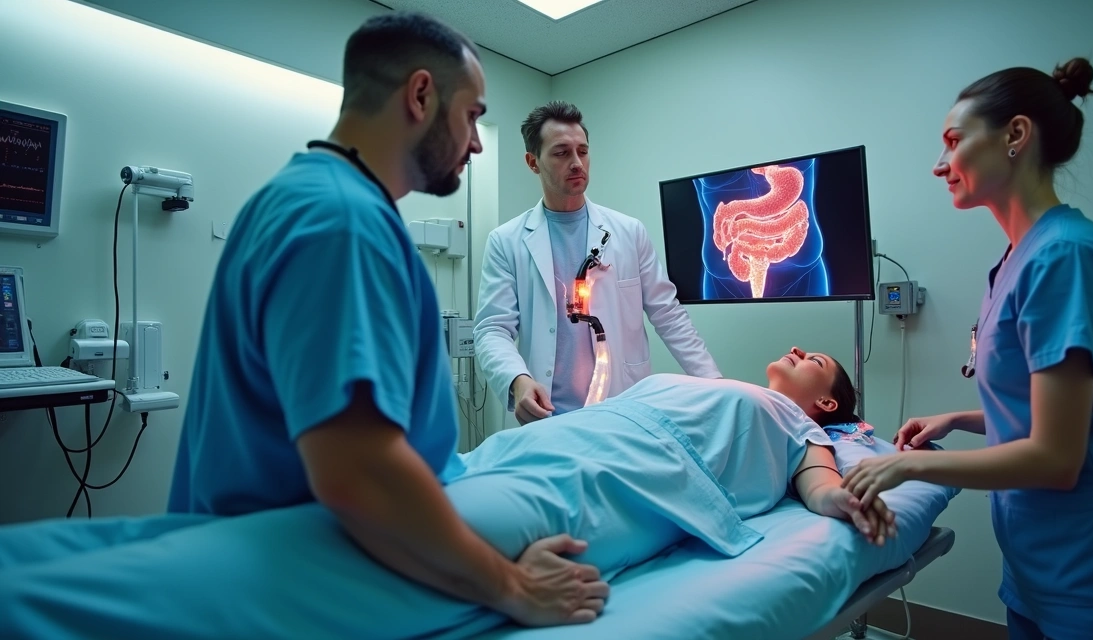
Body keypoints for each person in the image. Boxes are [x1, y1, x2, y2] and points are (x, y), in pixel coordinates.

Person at [53, 11, 605, 630]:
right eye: (473, 115)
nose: (478, 142)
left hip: (257, 542)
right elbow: (360, 473)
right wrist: (513, 586)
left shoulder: (293, 196)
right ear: (421, 95)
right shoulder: (343, 222)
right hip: (298, 562)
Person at [0, 346, 894, 639]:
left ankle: (33, 600)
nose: (803, 347)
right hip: (548, 447)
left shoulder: (800, 427)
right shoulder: (702, 382)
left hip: (606, 490)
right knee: (328, 522)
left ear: (826, 402)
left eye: (818, 356)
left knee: (338, 551)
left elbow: (818, 484)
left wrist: (843, 499)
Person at [840, 58, 1093, 640]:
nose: (939, 165)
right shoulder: (1013, 262)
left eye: (954, 141)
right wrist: (958, 418)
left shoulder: (1066, 257)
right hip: (1038, 570)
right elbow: (1050, 413)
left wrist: (904, 463)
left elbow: (1057, 457)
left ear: (1015, 135)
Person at [474, 100, 721, 425]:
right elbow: (492, 329)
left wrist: (718, 386)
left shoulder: (628, 231)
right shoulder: (507, 241)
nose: (577, 163)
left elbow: (667, 313)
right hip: (549, 416)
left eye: (583, 151)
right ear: (533, 162)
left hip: (622, 406)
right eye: (562, 153)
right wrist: (518, 381)